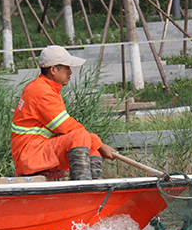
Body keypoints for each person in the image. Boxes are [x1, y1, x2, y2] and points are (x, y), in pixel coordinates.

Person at [11, 45, 117, 180]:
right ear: (53, 69)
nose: (70, 72)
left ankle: (96, 192)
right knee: (80, 137)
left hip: (37, 150)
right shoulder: (41, 91)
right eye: (67, 67)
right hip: (30, 155)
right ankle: (82, 189)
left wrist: (97, 146)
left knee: (92, 148)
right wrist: (99, 143)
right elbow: (65, 127)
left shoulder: (47, 89)